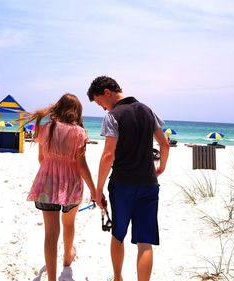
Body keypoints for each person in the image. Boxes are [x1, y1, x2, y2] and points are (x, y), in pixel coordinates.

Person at [87, 76, 169, 281]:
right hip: (149, 183)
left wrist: (98, 190)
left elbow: (108, 155)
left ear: (107, 93)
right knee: (145, 243)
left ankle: (118, 278)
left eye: (100, 103)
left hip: (122, 184)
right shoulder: (147, 110)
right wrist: (161, 167)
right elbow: (164, 144)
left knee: (118, 235)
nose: (103, 108)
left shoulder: (113, 116)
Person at [25, 93, 96, 281]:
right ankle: (67, 258)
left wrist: (51, 172)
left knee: (50, 232)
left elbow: (41, 159)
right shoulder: (80, 133)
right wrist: (94, 189)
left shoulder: (45, 128)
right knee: (69, 223)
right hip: (71, 185)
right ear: (77, 113)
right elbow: (81, 165)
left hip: (47, 183)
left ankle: (51, 279)